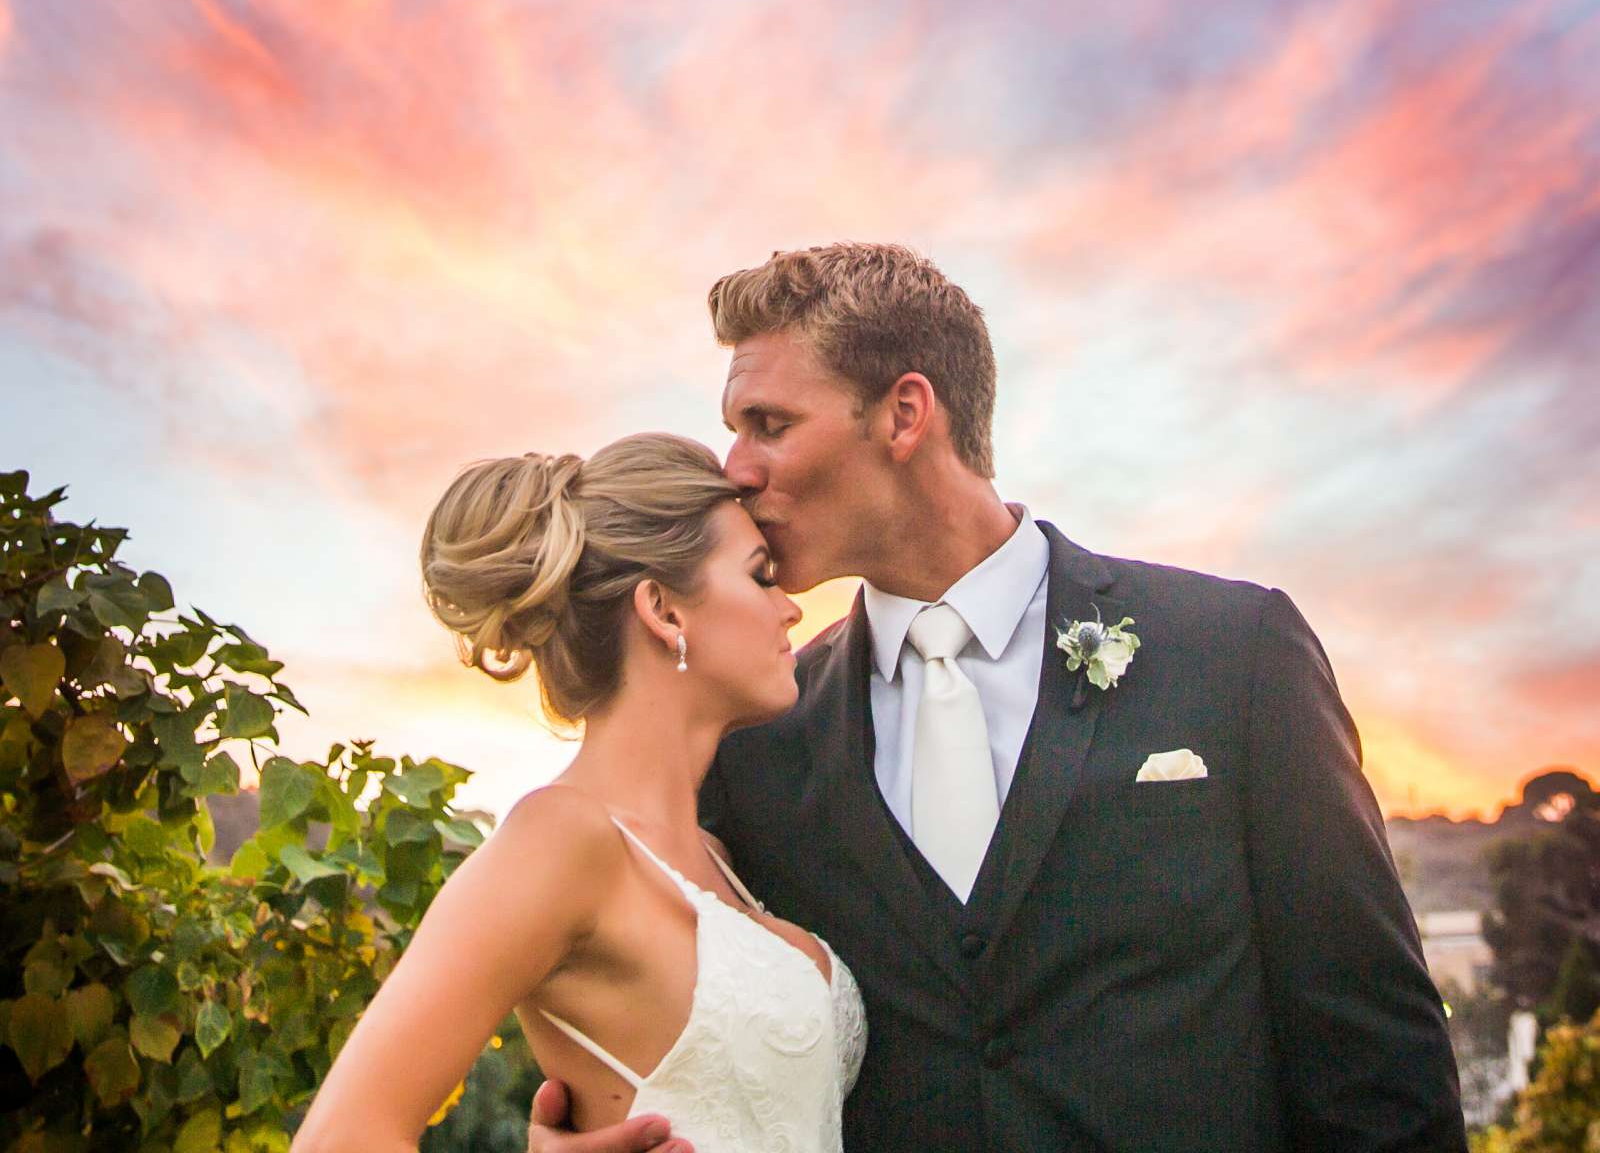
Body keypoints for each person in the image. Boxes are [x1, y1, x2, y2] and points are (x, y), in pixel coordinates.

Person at [528, 242, 1466, 1153]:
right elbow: (665, 1016)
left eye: (769, 424)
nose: (734, 467)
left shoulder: (1235, 654)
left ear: (904, 416)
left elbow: (1375, 1056)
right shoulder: (751, 739)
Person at [295, 432, 866, 1153]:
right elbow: (341, 1138)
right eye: (758, 576)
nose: (789, 608)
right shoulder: (562, 837)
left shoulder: (720, 852)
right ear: (663, 609)